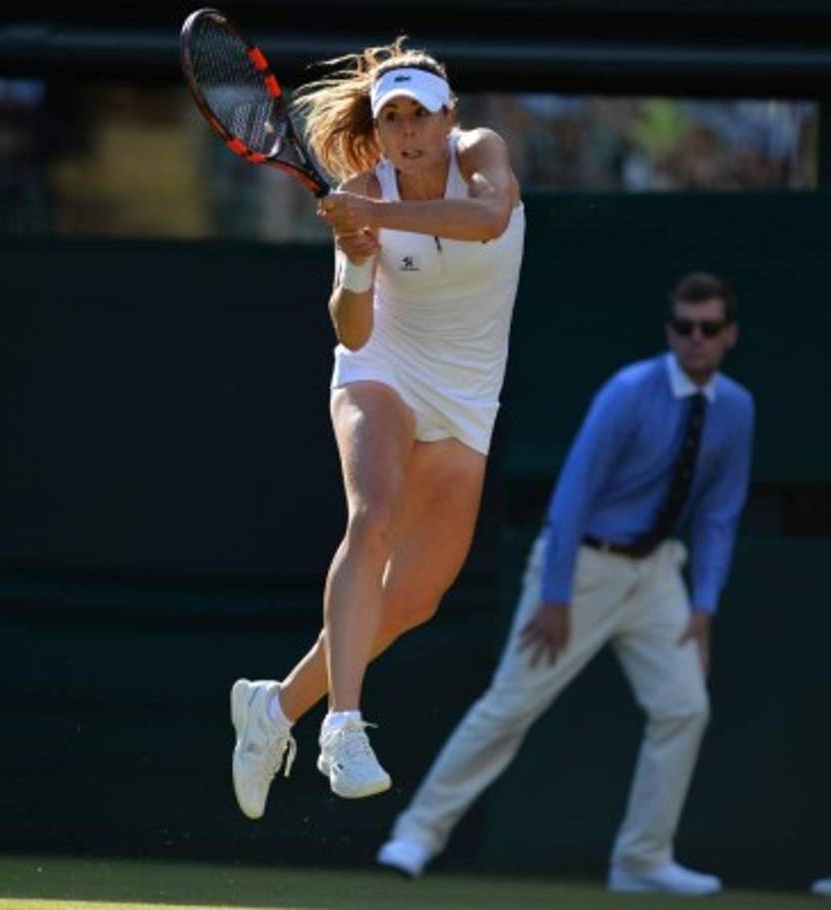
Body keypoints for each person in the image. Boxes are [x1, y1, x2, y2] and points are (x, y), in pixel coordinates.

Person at [376, 272, 754, 897]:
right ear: (670, 332)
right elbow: (574, 492)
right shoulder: (628, 393)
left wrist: (705, 605)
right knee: (510, 704)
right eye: (684, 328)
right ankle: (416, 835)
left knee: (685, 706)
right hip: (580, 566)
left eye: (709, 329)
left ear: (729, 335)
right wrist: (555, 594)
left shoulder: (737, 409)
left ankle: (641, 859)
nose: (696, 340)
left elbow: (721, 513)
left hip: (659, 573)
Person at [229, 38, 525, 818]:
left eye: (419, 114)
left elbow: (492, 217)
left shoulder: (481, 153)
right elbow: (352, 331)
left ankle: (272, 710)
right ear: (380, 126)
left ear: (448, 117)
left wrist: (376, 213)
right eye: (391, 117)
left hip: (467, 393)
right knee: (375, 518)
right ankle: (342, 728)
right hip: (383, 370)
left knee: (418, 599)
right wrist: (354, 254)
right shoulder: (362, 192)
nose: (406, 130)